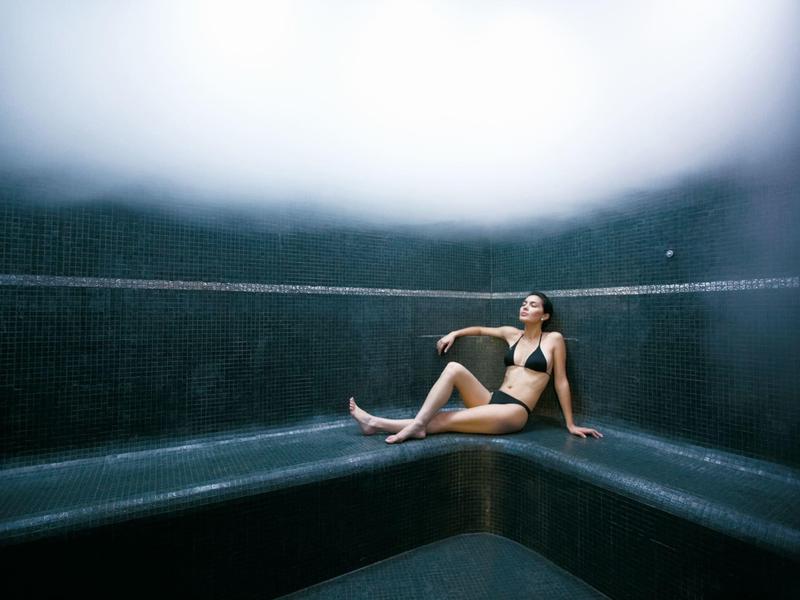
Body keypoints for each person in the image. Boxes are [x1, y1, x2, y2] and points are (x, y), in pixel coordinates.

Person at [349, 291, 603, 444]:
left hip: (515, 411)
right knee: (453, 368)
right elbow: (480, 329)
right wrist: (454, 333)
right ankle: (412, 424)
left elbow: (561, 381)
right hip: (492, 399)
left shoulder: (553, 340)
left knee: (446, 419)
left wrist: (570, 424)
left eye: (533, 305)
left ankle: (378, 423)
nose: (525, 306)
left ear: (545, 316)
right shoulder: (511, 333)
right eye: (524, 303)